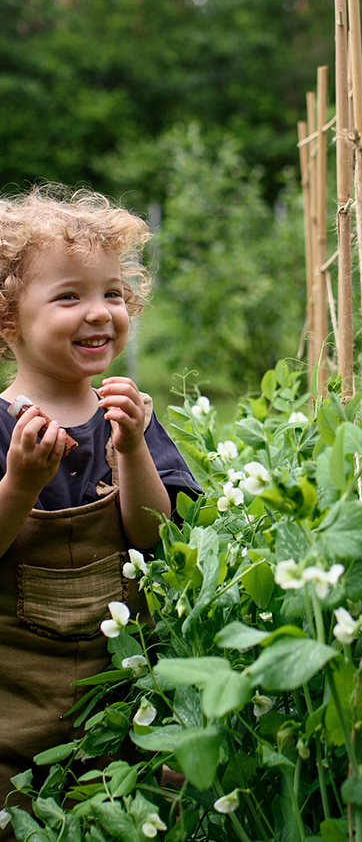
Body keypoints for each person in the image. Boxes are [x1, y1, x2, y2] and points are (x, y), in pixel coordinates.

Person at [0, 187, 200, 826]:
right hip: (12, 708)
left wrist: (133, 451)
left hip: (116, 702)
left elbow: (153, 535)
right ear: (8, 319)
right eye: (69, 296)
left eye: (112, 294)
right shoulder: (1, 429)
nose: (99, 313)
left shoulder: (129, 416)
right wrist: (20, 486)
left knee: (114, 813)